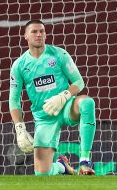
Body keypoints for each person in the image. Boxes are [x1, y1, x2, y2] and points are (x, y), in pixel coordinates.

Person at [10, 19, 96, 175]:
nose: (39, 34)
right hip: (44, 117)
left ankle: (84, 161)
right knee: (42, 174)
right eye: (34, 32)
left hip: (66, 107)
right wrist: (20, 128)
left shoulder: (59, 54)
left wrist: (64, 95)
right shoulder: (19, 65)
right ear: (26, 36)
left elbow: (79, 82)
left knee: (87, 103)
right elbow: (14, 100)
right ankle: (62, 166)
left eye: (42, 31)